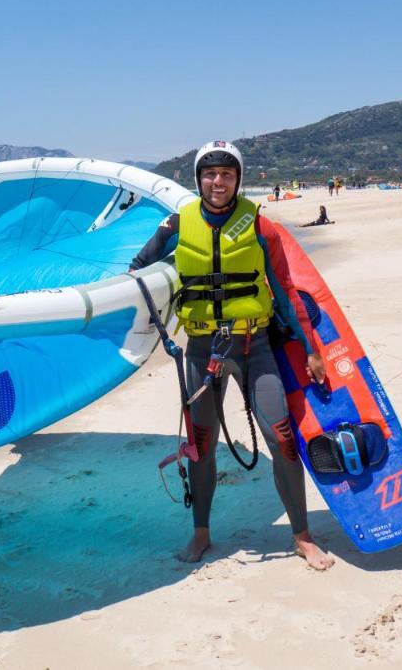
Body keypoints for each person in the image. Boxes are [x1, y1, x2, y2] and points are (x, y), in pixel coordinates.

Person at [130, 141, 334, 571]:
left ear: (238, 179)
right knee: (201, 447)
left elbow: (284, 290)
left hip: (253, 345)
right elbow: (137, 271)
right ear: (198, 179)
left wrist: (311, 350)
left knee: (282, 438)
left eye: (226, 174)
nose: (217, 181)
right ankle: (201, 533)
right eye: (209, 174)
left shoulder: (261, 227)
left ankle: (302, 536)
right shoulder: (177, 225)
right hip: (202, 350)